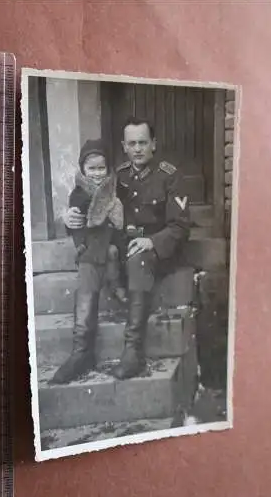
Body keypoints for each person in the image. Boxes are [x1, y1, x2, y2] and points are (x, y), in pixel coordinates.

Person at [64, 117, 191, 380]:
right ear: (124, 146)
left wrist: (152, 241)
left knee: (138, 258)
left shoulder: (170, 176)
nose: (137, 148)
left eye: (143, 142)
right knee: (90, 258)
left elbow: (180, 226)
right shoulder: (115, 176)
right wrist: (68, 218)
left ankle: (133, 351)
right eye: (132, 143)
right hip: (120, 247)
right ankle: (81, 351)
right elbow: (87, 204)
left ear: (153, 144)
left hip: (154, 252)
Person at [50, 139, 127, 385]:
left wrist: (118, 217)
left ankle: (117, 287)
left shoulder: (117, 188)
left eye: (101, 168)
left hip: (118, 249)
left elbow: (125, 224)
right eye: (91, 169)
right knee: (87, 272)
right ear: (83, 170)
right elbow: (77, 226)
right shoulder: (79, 193)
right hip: (91, 250)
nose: (96, 173)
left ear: (108, 168)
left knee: (110, 254)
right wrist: (70, 224)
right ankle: (81, 351)